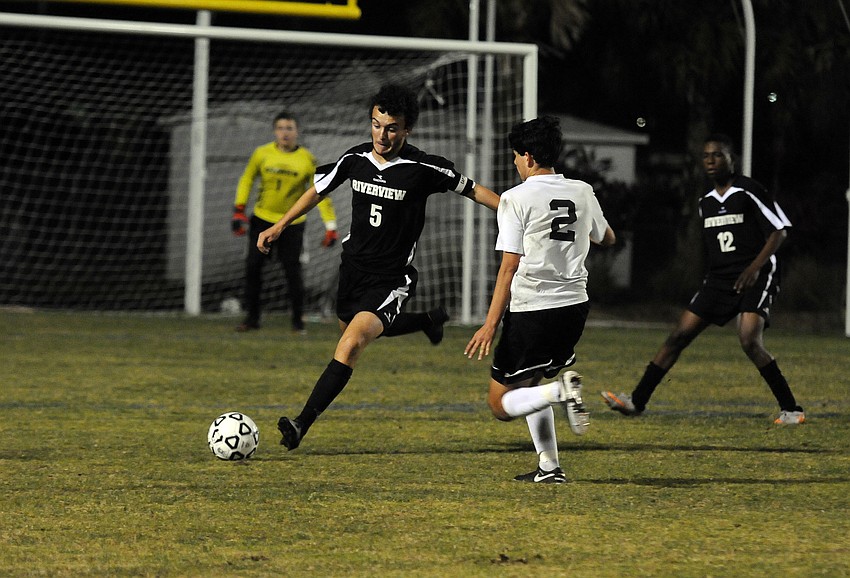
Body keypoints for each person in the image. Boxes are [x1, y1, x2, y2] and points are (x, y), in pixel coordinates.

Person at [258, 83, 500, 450]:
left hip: (392, 278)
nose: (381, 135)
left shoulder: (423, 167)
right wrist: (279, 224)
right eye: (375, 124)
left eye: (391, 128)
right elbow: (317, 191)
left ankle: (300, 423)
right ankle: (426, 320)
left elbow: (476, 191)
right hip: (352, 271)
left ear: (406, 130)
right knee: (351, 329)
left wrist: (521, 214)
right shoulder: (355, 158)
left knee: (352, 343)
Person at [601, 133, 805, 425]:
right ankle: (637, 401)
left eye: (718, 155)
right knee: (678, 336)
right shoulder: (705, 202)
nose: (711, 160)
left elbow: (779, 231)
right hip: (720, 279)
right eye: (706, 156)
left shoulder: (749, 190)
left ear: (731, 159)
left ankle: (792, 409)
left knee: (749, 338)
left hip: (756, 273)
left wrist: (754, 269)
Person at [465, 116, 616, 484]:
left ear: (528, 157)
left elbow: (508, 267)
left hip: (533, 310)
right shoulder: (582, 190)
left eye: (516, 156)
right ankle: (549, 467)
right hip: (574, 309)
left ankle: (560, 390)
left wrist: (489, 324)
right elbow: (607, 238)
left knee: (500, 405)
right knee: (530, 386)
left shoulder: (516, 199)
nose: (515, 163)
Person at [231, 111, 338, 333]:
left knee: (293, 272)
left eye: (289, 128)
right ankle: (252, 319)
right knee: (253, 268)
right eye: (281, 128)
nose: (285, 133)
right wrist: (239, 210)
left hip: (292, 224)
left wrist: (330, 226)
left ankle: (298, 323)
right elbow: (247, 179)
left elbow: (320, 193)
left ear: (297, 131)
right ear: (274, 131)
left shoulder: (307, 159)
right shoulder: (262, 154)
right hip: (262, 220)